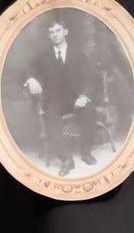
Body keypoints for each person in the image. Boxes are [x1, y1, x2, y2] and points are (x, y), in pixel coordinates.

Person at [20, 16, 97, 173]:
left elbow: (89, 76)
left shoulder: (78, 53)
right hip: (54, 100)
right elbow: (28, 70)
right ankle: (66, 160)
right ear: (49, 35)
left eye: (58, 30)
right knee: (50, 120)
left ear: (65, 32)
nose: (55, 34)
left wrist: (84, 96)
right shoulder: (43, 56)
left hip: (76, 99)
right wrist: (31, 79)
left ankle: (86, 152)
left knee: (90, 110)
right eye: (51, 32)